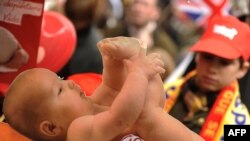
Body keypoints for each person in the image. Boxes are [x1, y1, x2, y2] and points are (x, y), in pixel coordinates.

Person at [3, 37, 204, 141]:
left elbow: (111, 87)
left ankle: (135, 55)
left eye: (61, 78)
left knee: (148, 112)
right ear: (51, 128)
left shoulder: (90, 105)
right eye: (60, 90)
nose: (70, 83)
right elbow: (121, 117)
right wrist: (137, 74)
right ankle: (137, 56)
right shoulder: (78, 132)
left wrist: (112, 63)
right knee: (145, 114)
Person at [164, 15, 250, 141]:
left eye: (224, 62)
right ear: (197, 57)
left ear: (242, 70)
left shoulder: (241, 125)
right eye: (207, 57)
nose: (212, 69)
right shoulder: (163, 91)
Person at [101, 0, 178, 80]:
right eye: (135, 2)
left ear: (156, 12)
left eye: (145, 4)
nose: (137, 8)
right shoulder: (111, 34)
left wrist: (148, 49)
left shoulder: (166, 45)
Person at [58, 0, 105, 78]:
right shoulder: (60, 29)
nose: (72, 23)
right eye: (70, 16)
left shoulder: (94, 50)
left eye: (76, 19)